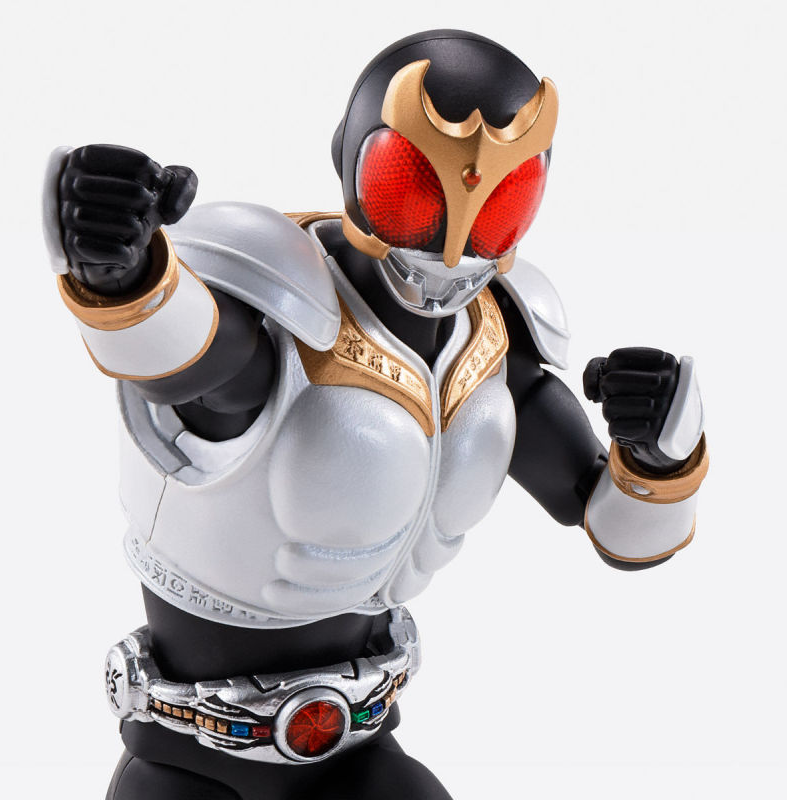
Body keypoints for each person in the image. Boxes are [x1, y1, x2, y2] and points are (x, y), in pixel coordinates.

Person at [44, 29, 708, 800]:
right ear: (352, 158)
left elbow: (615, 524)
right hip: (188, 758)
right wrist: (122, 277)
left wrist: (661, 455)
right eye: (414, 186)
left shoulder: (494, 346)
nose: (452, 247)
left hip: (360, 746)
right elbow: (192, 359)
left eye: (501, 200)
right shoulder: (275, 312)